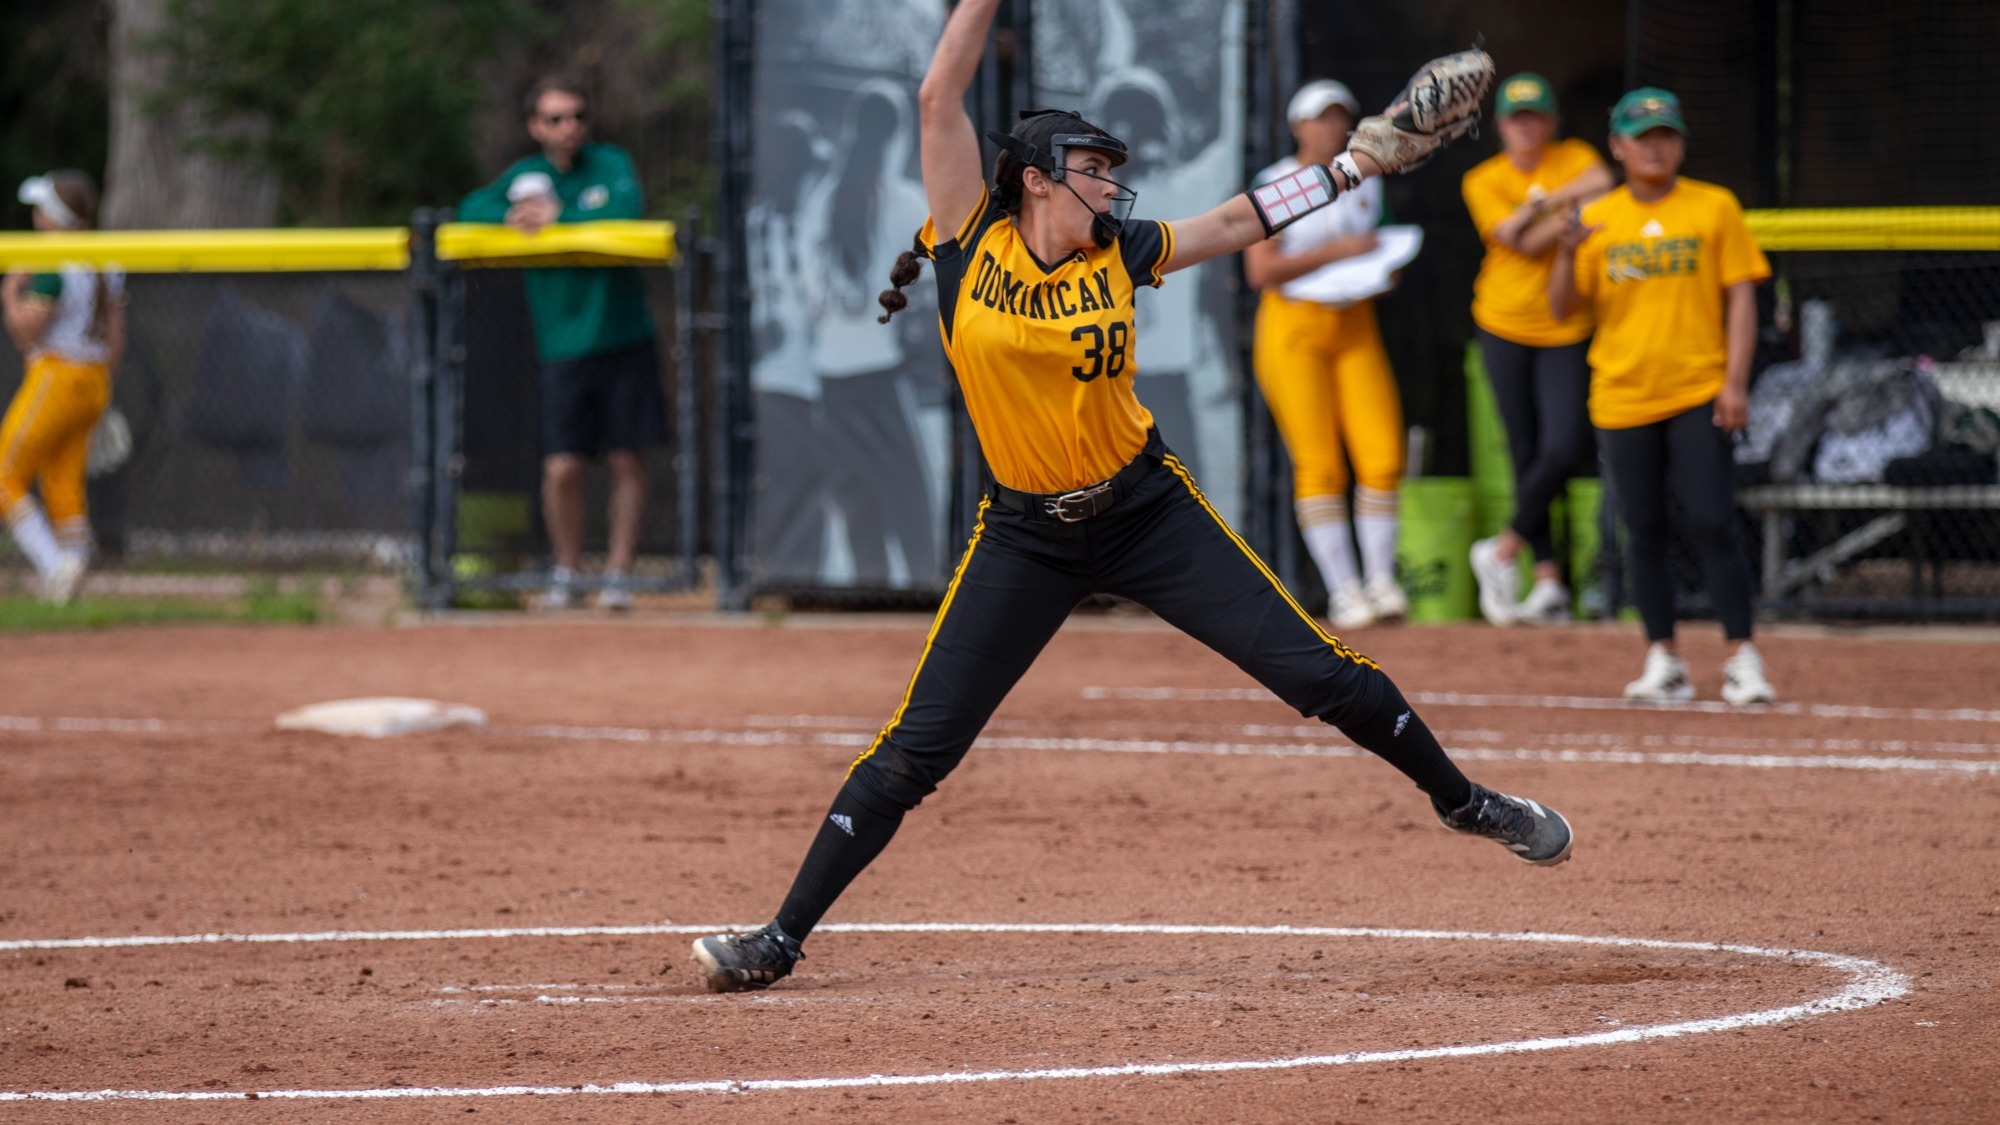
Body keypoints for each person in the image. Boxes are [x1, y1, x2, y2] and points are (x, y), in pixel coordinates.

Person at [689, 2, 1569, 994]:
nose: (1110, 185)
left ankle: (1461, 802)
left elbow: (1239, 220)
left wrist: (1354, 164)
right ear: (1033, 179)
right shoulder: (967, 240)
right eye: (1091, 169)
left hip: (1146, 513)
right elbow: (939, 94)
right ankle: (780, 937)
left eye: (1112, 171)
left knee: (1323, 679)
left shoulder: (1122, 248)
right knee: (913, 751)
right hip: (1025, 535)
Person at [1549, 88, 1775, 704]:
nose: (1657, 146)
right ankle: (1663, 658)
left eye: (1667, 134)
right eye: (1642, 136)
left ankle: (1742, 656)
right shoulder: (1599, 217)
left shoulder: (1713, 206)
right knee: (1641, 527)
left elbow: (1741, 298)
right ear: (1617, 147)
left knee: (1711, 520)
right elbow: (1562, 309)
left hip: (1698, 389)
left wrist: (1734, 382)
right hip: (1623, 394)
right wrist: (1566, 256)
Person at [459, 74, 664, 611]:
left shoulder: (612, 164)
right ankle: (568, 571)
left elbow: (626, 213)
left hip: (624, 337)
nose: (568, 127)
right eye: (555, 118)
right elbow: (468, 210)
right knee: (563, 466)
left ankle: (618, 576)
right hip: (562, 344)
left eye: (577, 116)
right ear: (535, 127)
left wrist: (560, 219)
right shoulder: (526, 178)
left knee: (626, 460)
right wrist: (508, 216)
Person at [1244, 80, 1411, 631]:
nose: (1331, 127)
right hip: (1295, 327)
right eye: (1320, 118)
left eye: (1340, 117)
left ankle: (1381, 581)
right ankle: (1344, 592)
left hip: (1353, 320)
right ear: (1298, 126)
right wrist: (1339, 253)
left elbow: (1368, 251)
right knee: (1318, 461)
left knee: (1383, 453)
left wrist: (1379, 265)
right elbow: (1261, 272)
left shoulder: (1365, 181)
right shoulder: (1275, 182)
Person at [1461, 72, 1613, 626]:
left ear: (1550, 121)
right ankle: (1547, 581)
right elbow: (1509, 239)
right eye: (1515, 118)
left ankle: (1500, 550)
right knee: (1526, 451)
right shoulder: (1482, 177)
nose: (1526, 127)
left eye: (1535, 117)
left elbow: (1605, 178)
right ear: (1501, 124)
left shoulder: (1573, 153)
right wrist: (1565, 211)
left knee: (1566, 442)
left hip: (1566, 324)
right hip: (1501, 321)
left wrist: (1537, 211)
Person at [1, 171, 123, 605]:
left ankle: (57, 571)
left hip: (58, 374)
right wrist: (104, 392)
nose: (35, 217)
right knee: (63, 481)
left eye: (40, 209)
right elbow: (115, 335)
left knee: (3, 475)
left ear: (52, 216)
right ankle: (73, 583)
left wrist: (11, 292)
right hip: (94, 380)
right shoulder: (104, 257)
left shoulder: (51, 258)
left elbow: (29, 329)